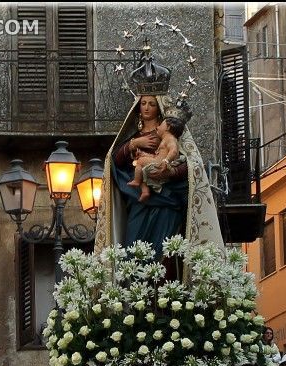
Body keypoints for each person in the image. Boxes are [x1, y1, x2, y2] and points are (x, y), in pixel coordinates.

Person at [95, 86, 223, 256]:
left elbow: (192, 166)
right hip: (138, 201)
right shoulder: (134, 136)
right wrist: (134, 144)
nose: (147, 107)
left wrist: (169, 172)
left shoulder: (171, 137)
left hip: (167, 200)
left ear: (160, 108)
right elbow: (115, 162)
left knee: (164, 252)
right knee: (132, 248)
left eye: (152, 104)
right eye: (143, 103)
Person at [127, 116, 186, 202]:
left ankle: (137, 181)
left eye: (161, 125)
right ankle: (145, 191)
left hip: (161, 165)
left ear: (168, 127)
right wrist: (144, 154)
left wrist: (166, 161)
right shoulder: (165, 140)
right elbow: (157, 156)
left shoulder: (170, 139)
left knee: (140, 162)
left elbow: (173, 151)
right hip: (158, 162)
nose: (157, 127)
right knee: (142, 166)